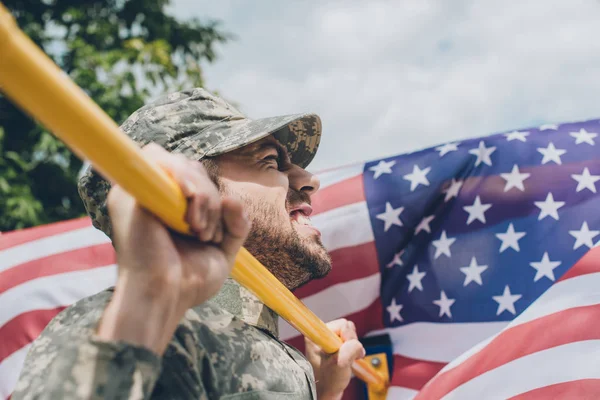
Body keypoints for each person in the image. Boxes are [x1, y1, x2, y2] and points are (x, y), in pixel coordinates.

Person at [11, 88, 366, 399]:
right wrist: (144, 303)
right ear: (191, 190)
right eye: (270, 162)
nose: (309, 180)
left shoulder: (266, 342)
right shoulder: (113, 324)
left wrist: (325, 392)